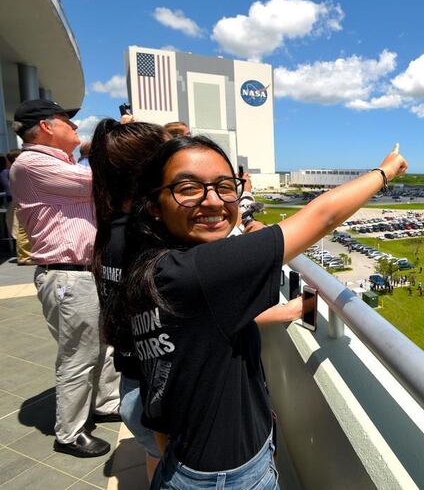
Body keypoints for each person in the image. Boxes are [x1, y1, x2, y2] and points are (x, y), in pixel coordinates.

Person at [115, 136, 406, 487]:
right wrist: (385, 171)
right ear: (154, 205)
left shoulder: (151, 269)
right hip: (230, 476)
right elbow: (323, 216)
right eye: (188, 188)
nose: (212, 200)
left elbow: (175, 368)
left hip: (185, 464)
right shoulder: (200, 274)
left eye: (225, 187)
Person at [10, 99, 120, 457]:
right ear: (45, 126)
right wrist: (116, 141)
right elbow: (102, 181)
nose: (75, 127)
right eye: (66, 122)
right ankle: (70, 433)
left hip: (84, 273)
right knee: (78, 356)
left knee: (103, 345)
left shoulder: (59, 163)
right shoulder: (32, 163)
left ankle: (106, 402)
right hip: (68, 275)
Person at [90, 118, 172, 479]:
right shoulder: (152, 241)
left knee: (155, 460)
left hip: (133, 382)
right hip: (161, 390)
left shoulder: (111, 231)